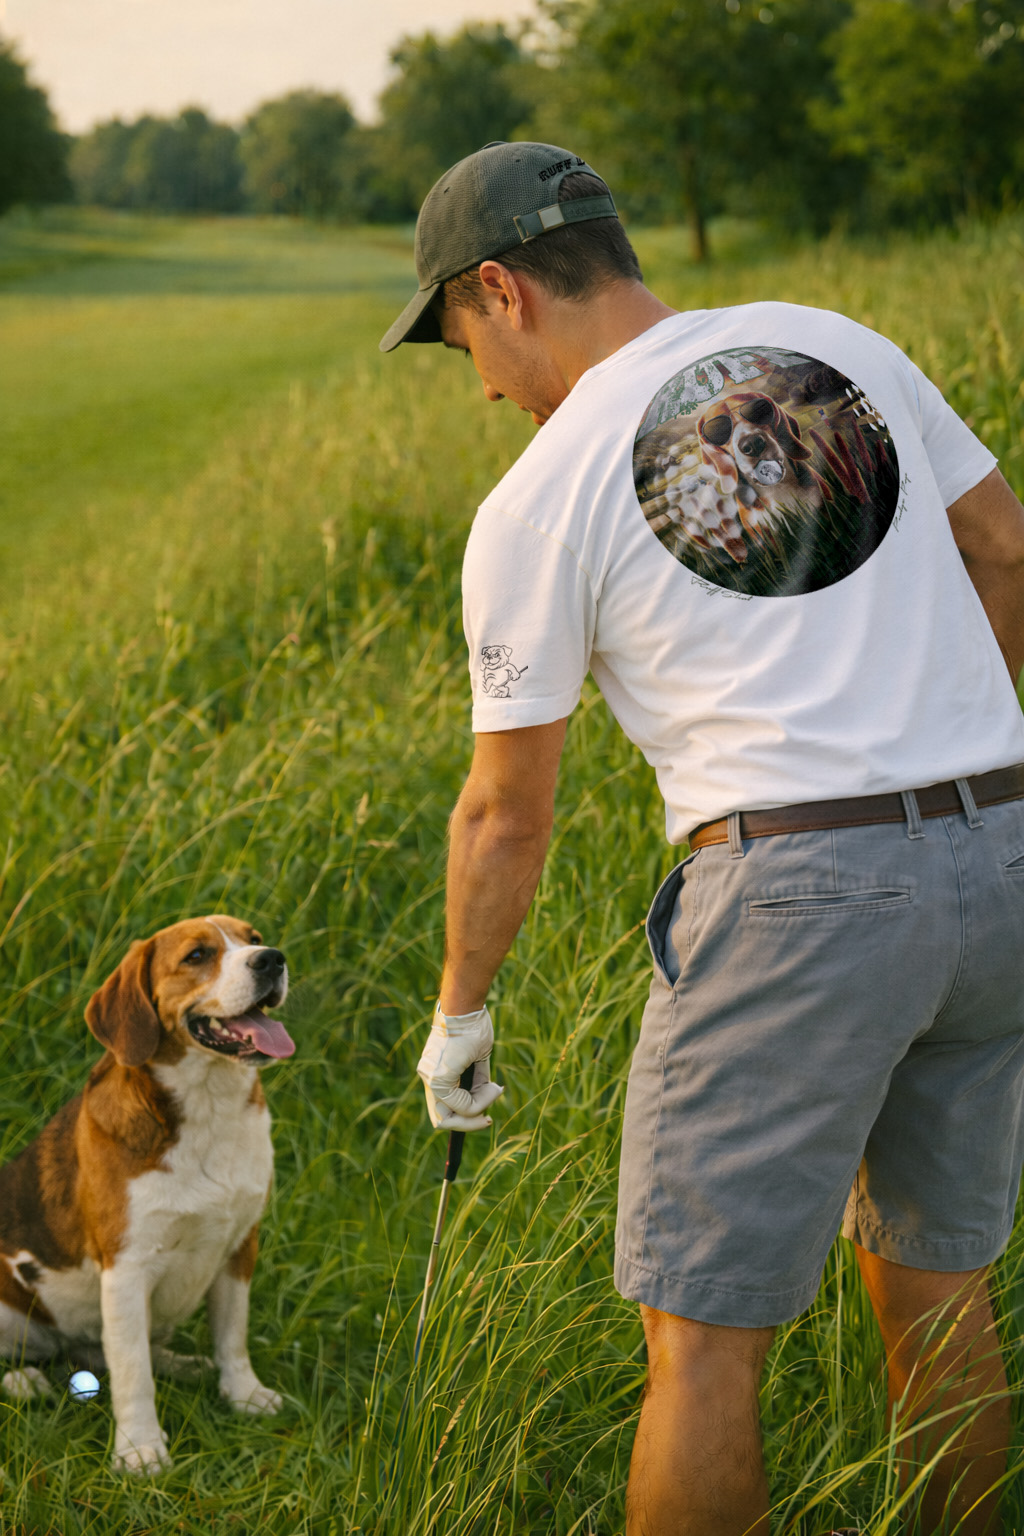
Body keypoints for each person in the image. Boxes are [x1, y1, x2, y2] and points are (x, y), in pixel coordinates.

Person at [380, 140, 1024, 1536]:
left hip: (800, 898)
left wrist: (460, 1010)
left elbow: (506, 809)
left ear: (505, 287)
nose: (483, 381)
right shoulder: (841, 346)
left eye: (463, 341)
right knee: (937, 1283)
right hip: (1000, 861)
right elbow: (1008, 551)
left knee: (702, 1343)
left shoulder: (539, 498)